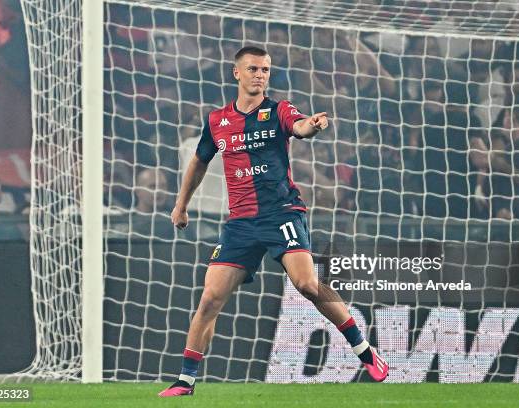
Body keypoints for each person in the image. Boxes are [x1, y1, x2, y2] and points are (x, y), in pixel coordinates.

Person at [159, 46, 388, 397]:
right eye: (253, 69)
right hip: (241, 223)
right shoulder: (218, 120)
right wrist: (181, 205)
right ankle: (186, 380)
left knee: (307, 285)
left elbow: (299, 127)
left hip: (282, 214)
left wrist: (311, 125)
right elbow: (200, 161)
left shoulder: (278, 110)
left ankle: (364, 350)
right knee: (209, 299)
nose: (260, 75)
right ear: (237, 73)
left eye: (265, 70)